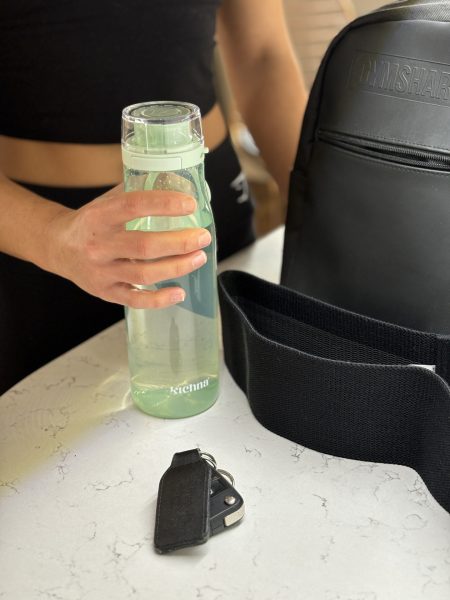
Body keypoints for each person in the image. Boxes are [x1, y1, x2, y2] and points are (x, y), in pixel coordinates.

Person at [0, 0, 307, 394]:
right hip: (47, 256)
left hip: (214, 224)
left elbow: (263, 56)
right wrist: (56, 237)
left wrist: (318, 214)